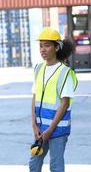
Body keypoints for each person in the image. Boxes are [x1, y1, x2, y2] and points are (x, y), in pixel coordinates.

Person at [29, 27, 78, 172]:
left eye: (47, 45)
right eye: (41, 46)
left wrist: (51, 129)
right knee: (34, 163)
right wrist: (34, 124)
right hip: (40, 128)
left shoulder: (65, 72)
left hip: (57, 129)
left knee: (56, 165)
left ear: (57, 47)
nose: (43, 50)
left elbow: (65, 104)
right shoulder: (38, 68)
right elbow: (34, 97)